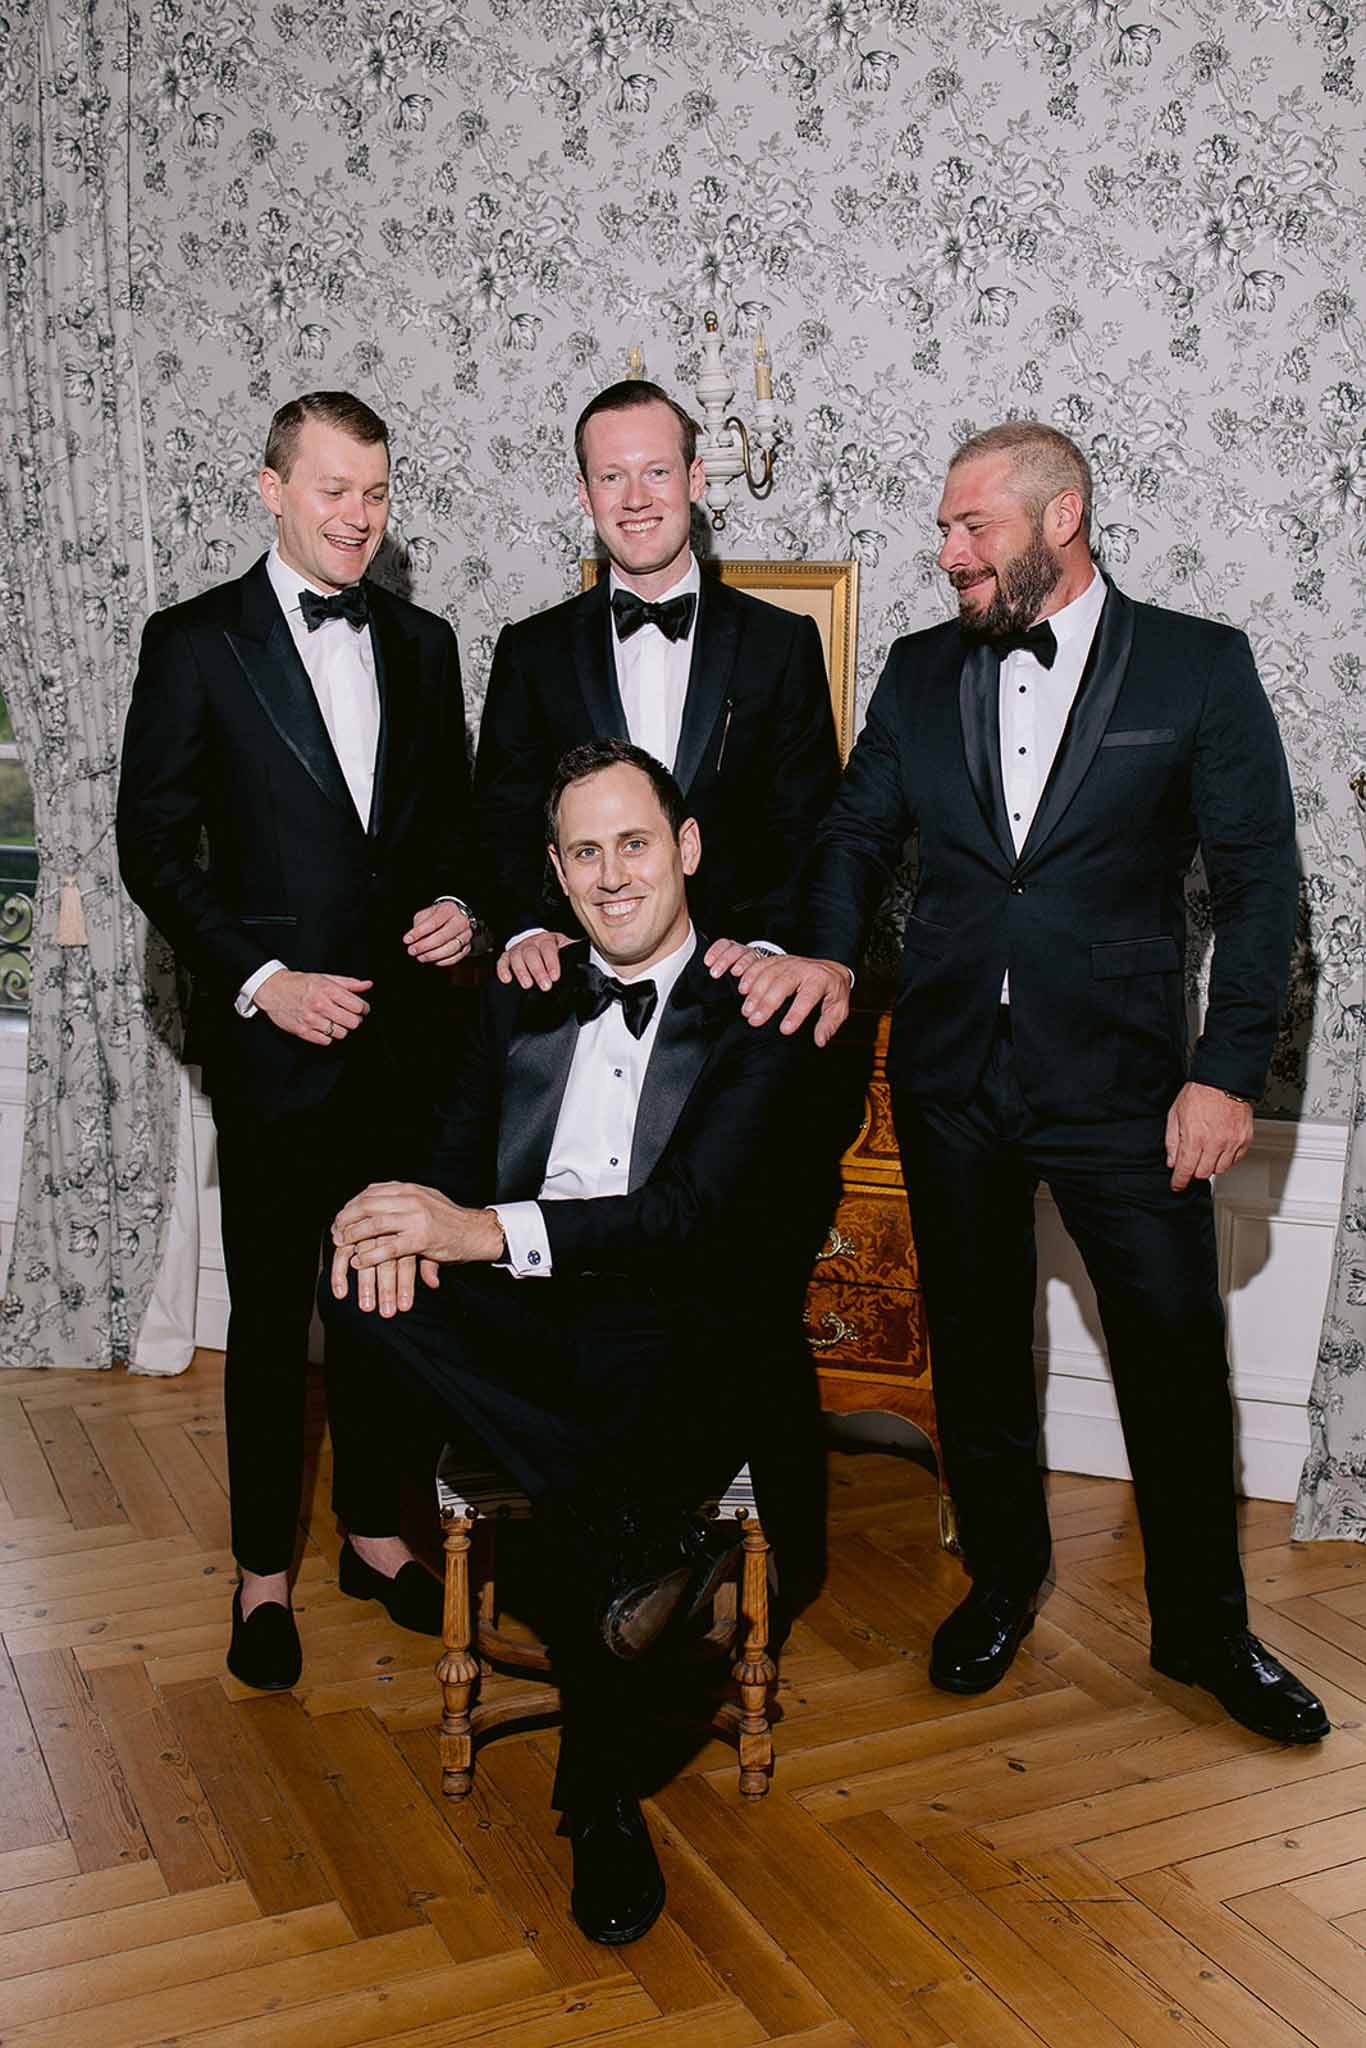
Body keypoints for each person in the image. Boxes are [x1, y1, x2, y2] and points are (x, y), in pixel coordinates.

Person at [736, 420, 1329, 1745]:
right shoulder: (917, 671)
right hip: (950, 1075)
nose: (948, 553)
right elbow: (854, 832)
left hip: (1127, 1086)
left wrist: (1226, 1074)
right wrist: (823, 951)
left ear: (1060, 520)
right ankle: (1001, 1581)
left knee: (1171, 1360)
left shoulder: (1195, 666)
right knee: (977, 1347)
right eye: (944, 529)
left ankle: (1203, 1629)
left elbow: (1259, 886)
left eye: (973, 528)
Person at [323, 738, 821, 1943]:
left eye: (634, 843)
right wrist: (393, 1215)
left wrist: (480, 1229)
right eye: (584, 852)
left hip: (676, 1323)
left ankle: (598, 1800)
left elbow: (688, 1218)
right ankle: (644, 1547)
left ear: (686, 847)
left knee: (624, 1363)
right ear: (552, 869)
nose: (611, 875)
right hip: (532, 1327)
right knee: (357, 1274)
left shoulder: (757, 1003)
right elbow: (450, 1160)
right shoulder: (521, 987)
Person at [117, 390, 477, 1691]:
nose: (357, 517)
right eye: (334, 490)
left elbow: (450, 826)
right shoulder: (194, 641)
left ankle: (375, 1538)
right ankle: (261, 1574)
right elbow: (151, 845)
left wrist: (461, 904)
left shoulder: (425, 644)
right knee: (273, 1318)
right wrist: (262, 981)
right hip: (276, 1048)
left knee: (387, 1305)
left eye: (375, 494)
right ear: (272, 489)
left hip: (406, 1046)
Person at [472, 378, 840, 988]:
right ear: (585, 494)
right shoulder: (529, 651)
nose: (636, 499)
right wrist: (525, 930)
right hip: (573, 980)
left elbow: (807, 823)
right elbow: (501, 819)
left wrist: (767, 947)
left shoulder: (781, 644)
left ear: (695, 479)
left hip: (738, 984)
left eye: (657, 472)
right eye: (611, 477)